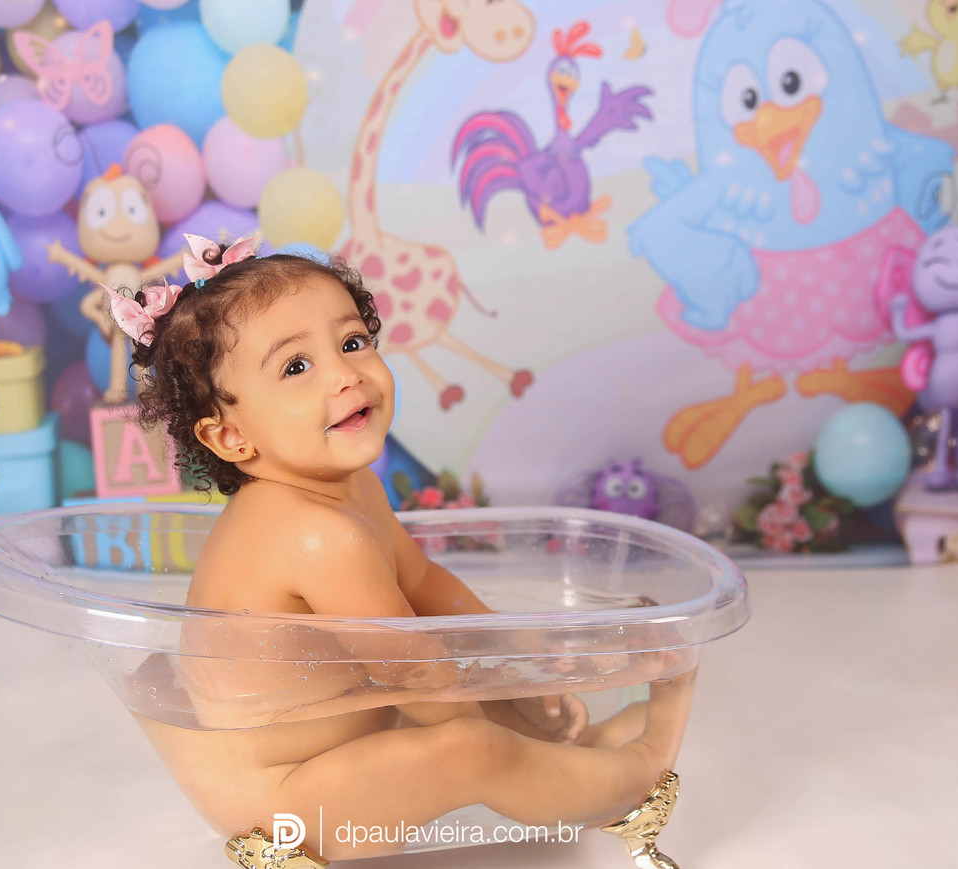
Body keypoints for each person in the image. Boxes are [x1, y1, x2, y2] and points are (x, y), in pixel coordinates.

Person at [118, 234, 694, 860]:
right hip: (280, 797)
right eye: (296, 367)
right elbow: (420, 683)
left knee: (469, 683)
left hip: (340, 743)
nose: (346, 374)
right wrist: (512, 718)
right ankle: (633, 777)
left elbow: (424, 584)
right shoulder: (314, 535)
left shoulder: (351, 489)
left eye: (351, 342)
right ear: (231, 437)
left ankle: (572, 765)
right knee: (470, 748)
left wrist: (518, 656)